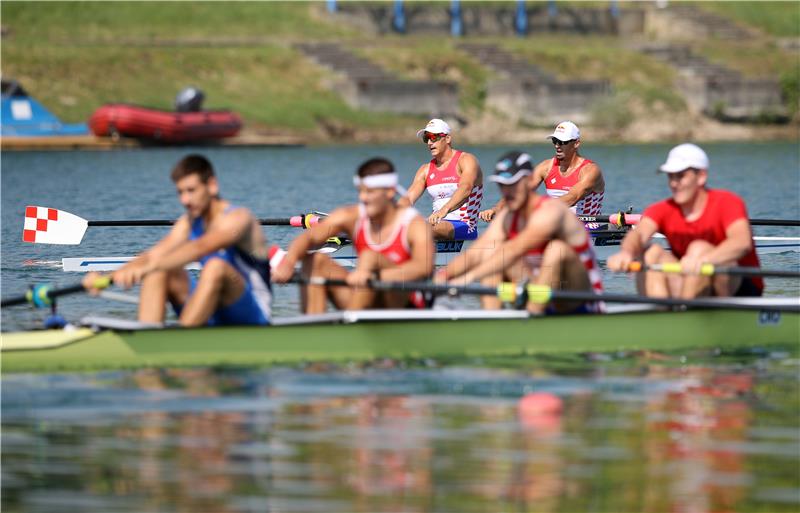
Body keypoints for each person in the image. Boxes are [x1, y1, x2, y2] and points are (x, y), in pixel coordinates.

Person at [83, 154, 272, 326]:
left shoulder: (239, 218)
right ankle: (148, 338)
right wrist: (107, 277)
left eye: (191, 190)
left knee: (215, 267)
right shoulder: (188, 223)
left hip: (251, 313)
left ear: (212, 186)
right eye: (180, 192)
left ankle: (182, 341)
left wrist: (148, 267)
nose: (185, 200)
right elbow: (152, 256)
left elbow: (201, 247)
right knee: (161, 270)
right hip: (213, 309)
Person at [437, 151, 604, 314]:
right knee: (491, 260)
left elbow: (513, 249)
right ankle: (494, 326)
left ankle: (533, 321)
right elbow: (477, 252)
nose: (507, 192)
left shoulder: (552, 211)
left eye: (513, 184)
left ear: (530, 181)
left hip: (580, 298)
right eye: (502, 185)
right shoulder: (508, 217)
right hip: (542, 290)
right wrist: (444, 275)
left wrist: (465, 279)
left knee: (556, 250)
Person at [271, 157, 435, 313]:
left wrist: (376, 276)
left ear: (390, 191)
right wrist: (289, 261)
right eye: (360, 191)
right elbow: (309, 238)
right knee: (316, 261)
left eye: (369, 192)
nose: (362, 198)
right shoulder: (352, 216)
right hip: (365, 295)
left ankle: (352, 327)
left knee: (370, 257)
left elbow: (423, 267)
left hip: (404, 303)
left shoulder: (414, 223)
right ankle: (315, 333)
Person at [607, 143, 762, 299]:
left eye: (680, 176)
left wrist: (705, 259)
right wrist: (626, 253)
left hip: (739, 288)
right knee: (650, 253)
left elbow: (742, 242)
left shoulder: (727, 202)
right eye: (670, 176)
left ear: (701, 176)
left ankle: (688, 313)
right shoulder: (662, 209)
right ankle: (661, 314)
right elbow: (639, 234)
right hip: (692, 281)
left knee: (698, 248)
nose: (674, 183)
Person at [479, 121, 605, 222]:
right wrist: (496, 209)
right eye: (555, 141)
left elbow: (572, 198)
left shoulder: (590, 170)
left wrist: (537, 207)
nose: (557, 146)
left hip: (587, 228)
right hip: (554, 223)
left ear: (576, 143)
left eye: (562, 142)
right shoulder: (546, 167)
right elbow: (519, 191)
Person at [398, 118, 483, 240]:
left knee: (422, 228)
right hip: (435, 225)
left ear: (447, 138)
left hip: (465, 226)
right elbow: (408, 199)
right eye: (426, 138)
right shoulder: (425, 170)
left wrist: (444, 210)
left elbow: (466, 188)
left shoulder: (466, 160)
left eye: (433, 137)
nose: (429, 143)